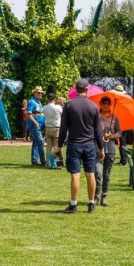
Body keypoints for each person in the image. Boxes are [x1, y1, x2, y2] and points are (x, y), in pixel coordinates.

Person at [54, 79, 103, 213]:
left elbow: (63, 128)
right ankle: (91, 204)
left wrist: (59, 146)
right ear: (87, 90)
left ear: (76, 89)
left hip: (74, 144)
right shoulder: (93, 106)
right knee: (90, 174)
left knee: (75, 175)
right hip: (90, 145)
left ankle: (73, 205)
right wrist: (101, 148)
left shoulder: (69, 106)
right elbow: (98, 131)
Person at [94, 95, 121, 207]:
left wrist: (113, 135)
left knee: (106, 174)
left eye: (107, 103)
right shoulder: (96, 117)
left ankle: (104, 197)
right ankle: (95, 196)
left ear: (110, 104)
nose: (105, 105)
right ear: (100, 104)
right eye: (103, 103)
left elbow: (120, 132)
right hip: (96, 148)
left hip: (110, 149)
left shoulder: (114, 118)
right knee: (97, 173)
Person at [27, 86, 46, 166]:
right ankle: (43, 161)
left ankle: (34, 161)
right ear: (34, 93)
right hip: (35, 125)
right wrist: (35, 123)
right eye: (38, 93)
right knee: (40, 142)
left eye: (41, 93)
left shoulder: (38, 102)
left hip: (39, 125)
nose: (40, 94)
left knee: (35, 143)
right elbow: (28, 114)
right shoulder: (32, 102)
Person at [43, 94, 64, 169]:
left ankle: (48, 163)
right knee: (56, 146)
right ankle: (58, 164)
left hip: (48, 128)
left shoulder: (44, 108)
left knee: (48, 147)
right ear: (54, 99)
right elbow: (63, 115)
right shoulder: (58, 107)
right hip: (56, 128)